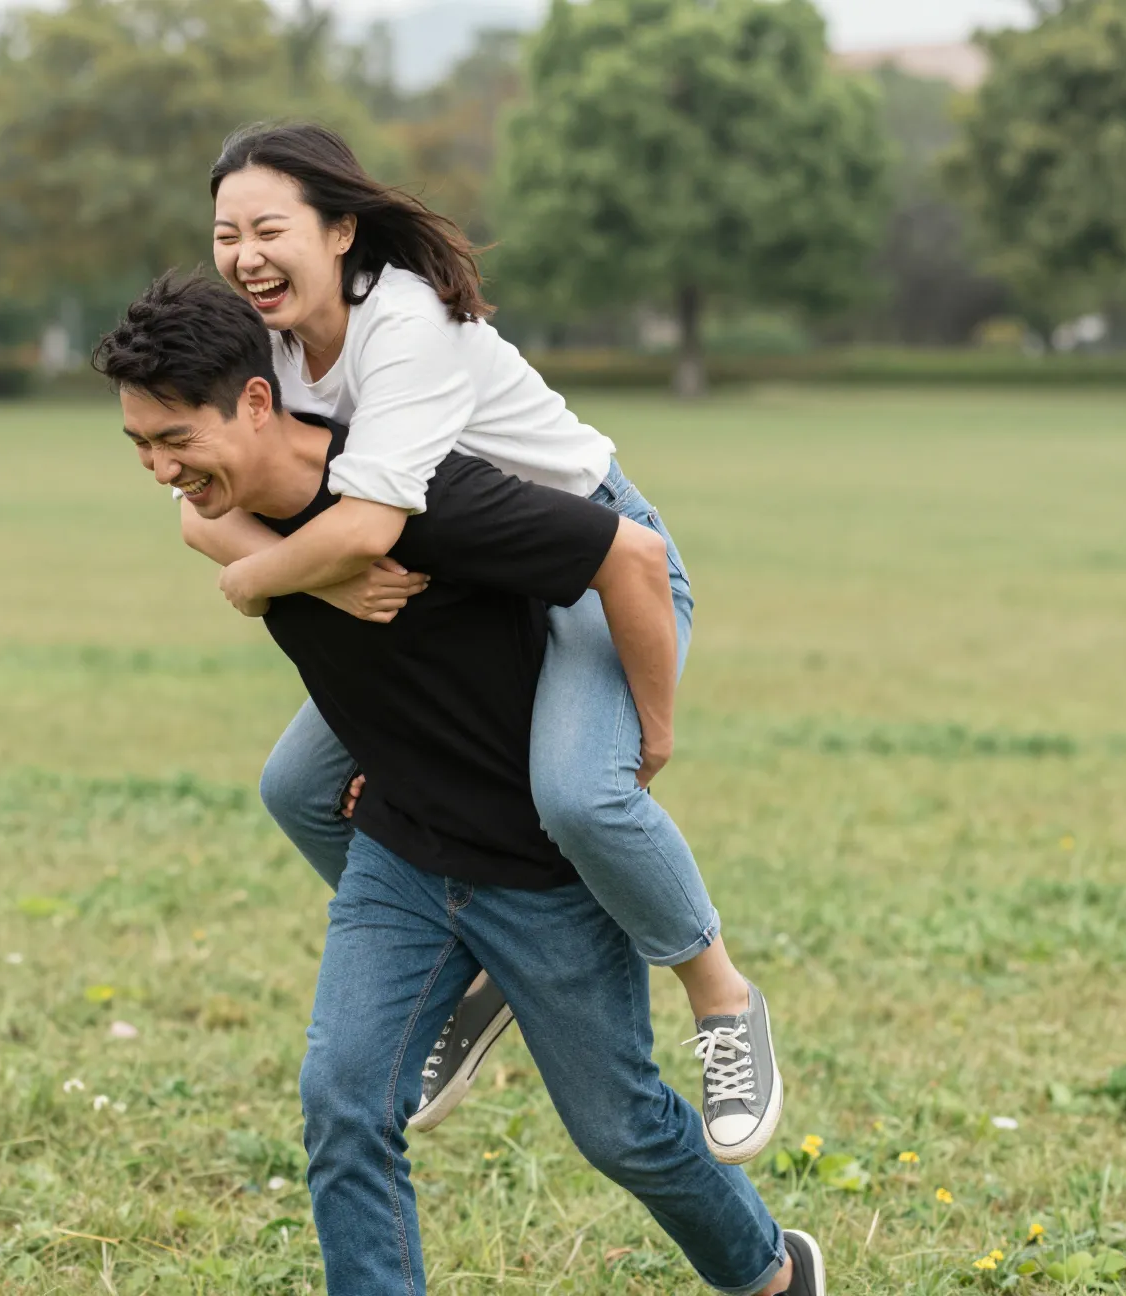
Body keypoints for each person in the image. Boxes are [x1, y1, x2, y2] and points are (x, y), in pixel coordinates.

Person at [96, 271, 825, 1296]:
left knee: (623, 1132)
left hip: (539, 874)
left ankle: (772, 1273)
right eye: (140, 445)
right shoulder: (229, 508)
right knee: (344, 1104)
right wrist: (288, 573)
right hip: (399, 857)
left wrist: (650, 732)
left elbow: (631, 555)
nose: (163, 470)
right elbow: (203, 525)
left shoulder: (421, 494)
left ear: (257, 401)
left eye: (176, 440)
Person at [178, 121, 779, 1159]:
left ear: (340, 230)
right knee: (297, 788)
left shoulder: (403, 323)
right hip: (467, 595)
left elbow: (363, 531)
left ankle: (721, 996)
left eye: (269, 229)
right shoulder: (259, 346)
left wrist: (258, 581)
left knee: (581, 794)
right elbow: (200, 505)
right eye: (227, 235)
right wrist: (307, 577)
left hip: (595, 564)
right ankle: (472, 964)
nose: (245, 257)